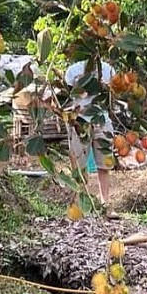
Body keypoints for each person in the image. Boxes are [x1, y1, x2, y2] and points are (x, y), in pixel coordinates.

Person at [64, 54, 116, 204]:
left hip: (102, 121)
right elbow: (66, 97)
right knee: (78, 166)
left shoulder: (109, 70)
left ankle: (105, 202)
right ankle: (79, 202)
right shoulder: (73, 70)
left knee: (104, 165)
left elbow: (112, 98)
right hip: (79, 122)